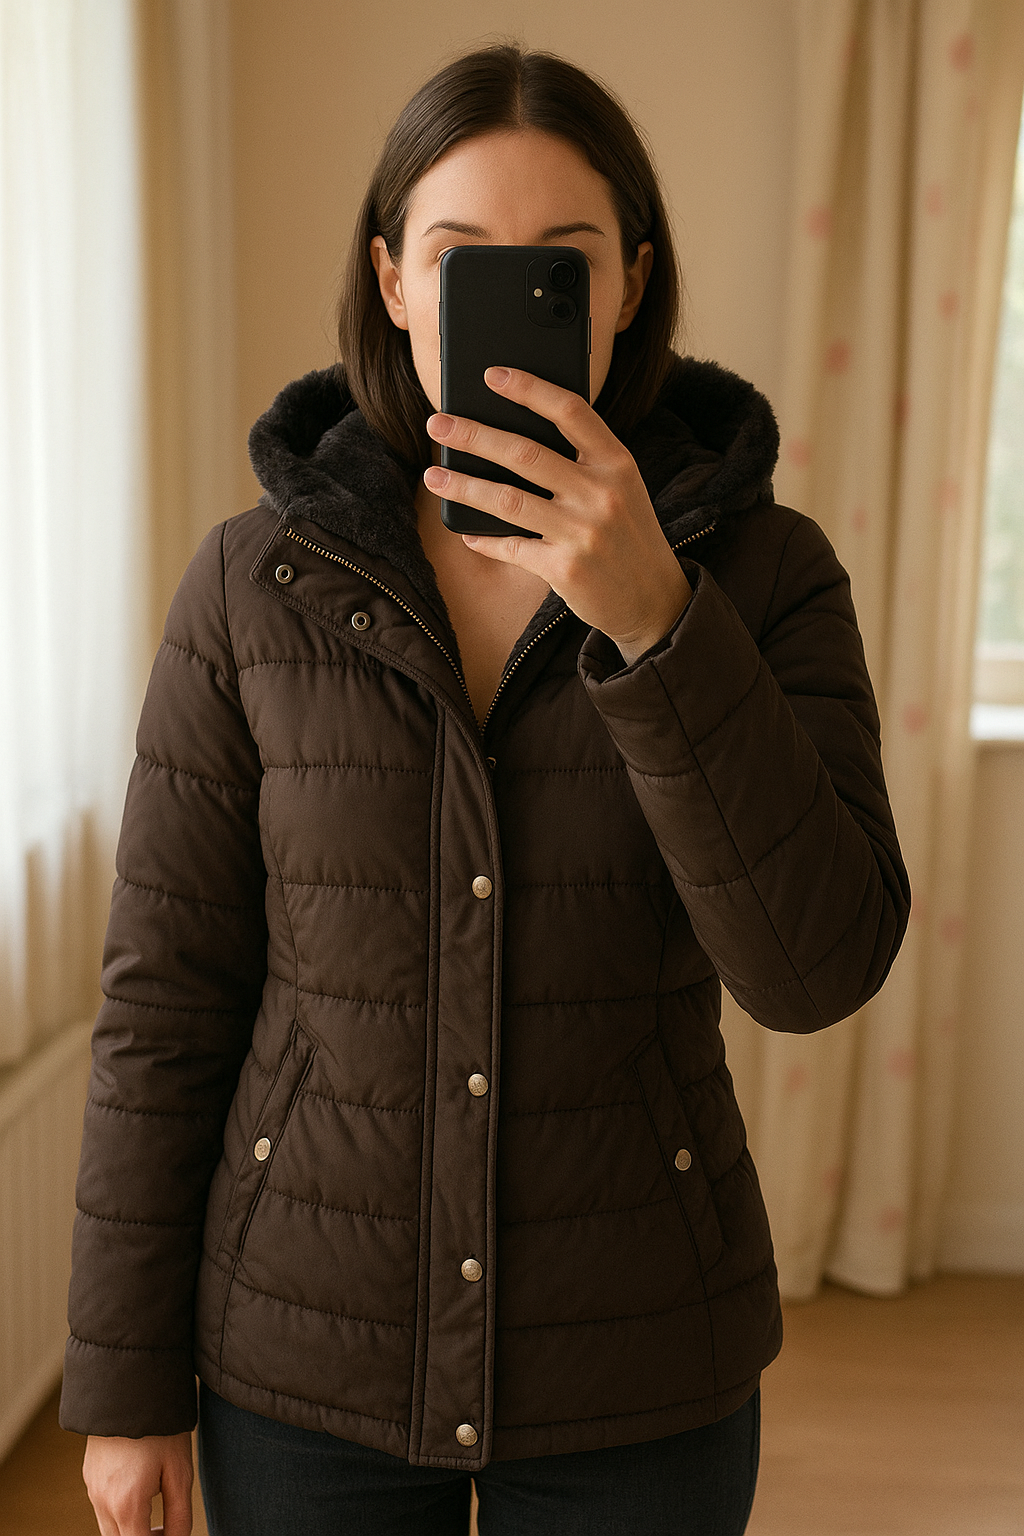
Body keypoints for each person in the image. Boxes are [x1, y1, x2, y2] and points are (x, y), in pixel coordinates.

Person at [60, 43, 910, 1536]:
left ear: (630, 284)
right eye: (460, 257)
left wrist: (658, 621)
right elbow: (166, 1000)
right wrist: (122, 1384)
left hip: (638, 1357)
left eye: (561, 264)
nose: (508, 299)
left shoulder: (766, 576)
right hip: (304, 1355)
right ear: (393, 280)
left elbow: (817, 964)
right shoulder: (254, 587)